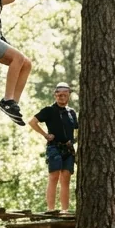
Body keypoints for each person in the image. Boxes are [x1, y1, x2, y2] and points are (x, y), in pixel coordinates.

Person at [28, 82, 78, 212]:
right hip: (54, 147)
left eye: (64, 95)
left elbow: (78, 128)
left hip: (68, 149)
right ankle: (51, 210)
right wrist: (45, 134)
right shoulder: (49, 110)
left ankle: (64, 210)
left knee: (66, 178)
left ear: (69, 96)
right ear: (55, 95)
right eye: (59, 95)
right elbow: (32, 122)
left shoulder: (71, 112)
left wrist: (74, 140)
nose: (62, 97)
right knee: (54, 177)